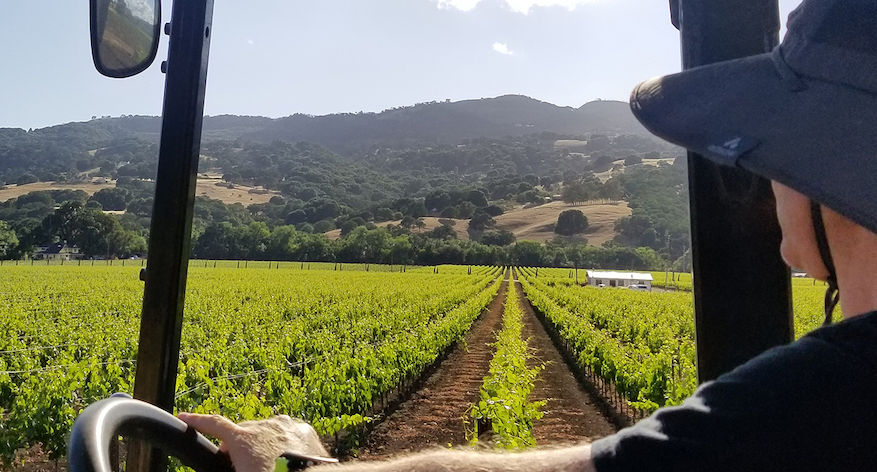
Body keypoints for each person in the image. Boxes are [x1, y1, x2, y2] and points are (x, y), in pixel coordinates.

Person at [180, 0, 877, 469]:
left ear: (828, 169)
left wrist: (298, 460)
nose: (764, 174)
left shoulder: (835, 392)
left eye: (771, 149)